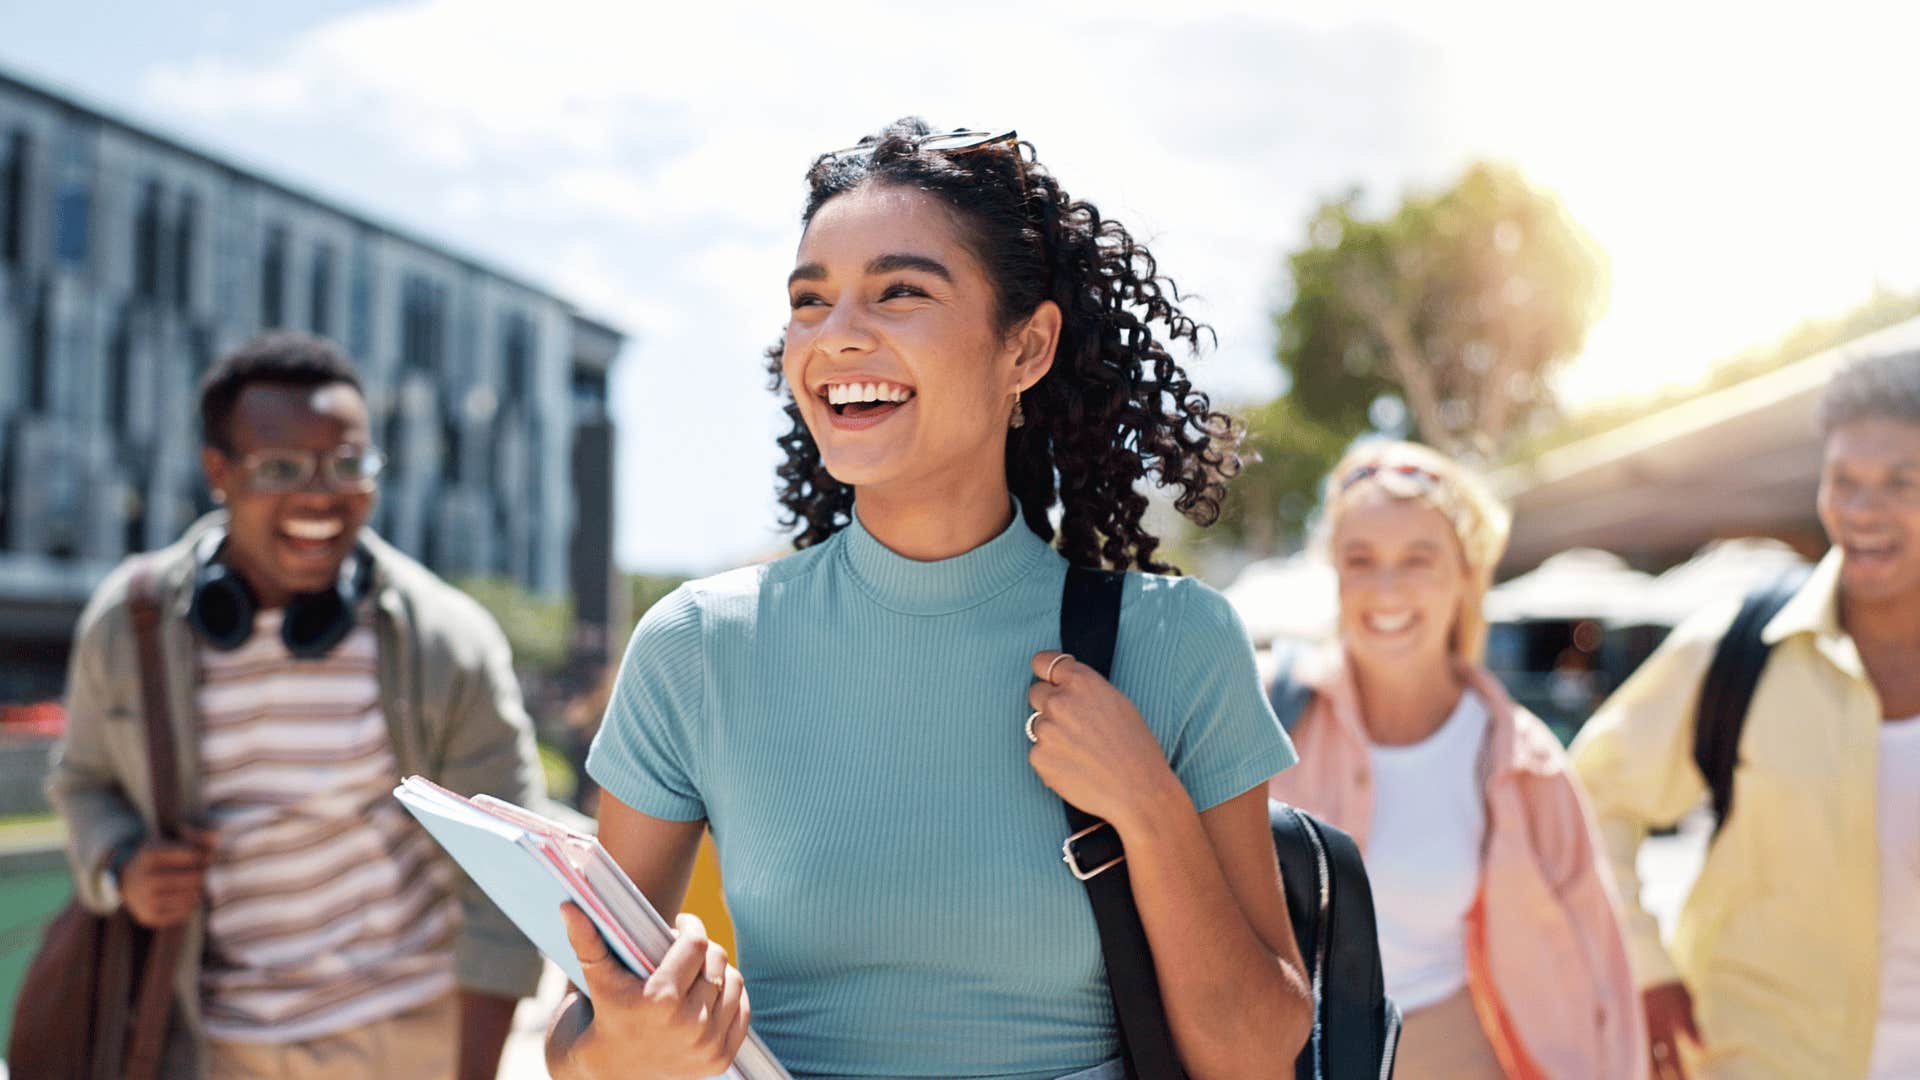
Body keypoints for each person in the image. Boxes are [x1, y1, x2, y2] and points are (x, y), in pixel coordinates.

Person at [544, 120, 1310, 1080]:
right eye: (809, 301)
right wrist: (628, 1048)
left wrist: (1148, 808)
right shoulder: (698, 645)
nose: (838, 334)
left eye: (901, 291)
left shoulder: (1176, 640)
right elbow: (578, 1043)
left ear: (1026, 347)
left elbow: (1254, 1056)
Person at [47, 332, 546, 1079]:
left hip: (406, 1038)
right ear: (219, 472)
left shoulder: (450, 640)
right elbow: (81, 781)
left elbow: (507, 878)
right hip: (209, 1043)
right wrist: (123, 864)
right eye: (281, 467)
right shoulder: (130, 623)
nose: (321, 494)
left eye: (347, 464)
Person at [1572, 348, 1920, 1080]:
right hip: (1756, 1057)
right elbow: (1586, 798)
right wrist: (1644, 965)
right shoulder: (1735, 648)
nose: (1862, 512)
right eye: (1843, 482)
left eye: (1900, 483)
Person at [1267, 441, 1646, 1079]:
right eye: (1361, 559)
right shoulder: (1266, 719)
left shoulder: (1522, 762)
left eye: (1418, 559)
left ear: (1465, 575)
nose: (1387, 589)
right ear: (1335, 571)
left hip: (1455, 1055)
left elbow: (1600, 964)